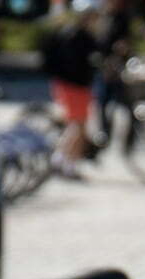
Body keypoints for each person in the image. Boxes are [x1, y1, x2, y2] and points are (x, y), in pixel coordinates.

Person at [41, 4, 104, 177]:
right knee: (77, 126)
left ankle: (69, 163)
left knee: (80, 127)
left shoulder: (79, 34)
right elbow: (77, 64)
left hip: (75, 85)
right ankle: (60, 158)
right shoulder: (78, 36)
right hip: (73, 86)